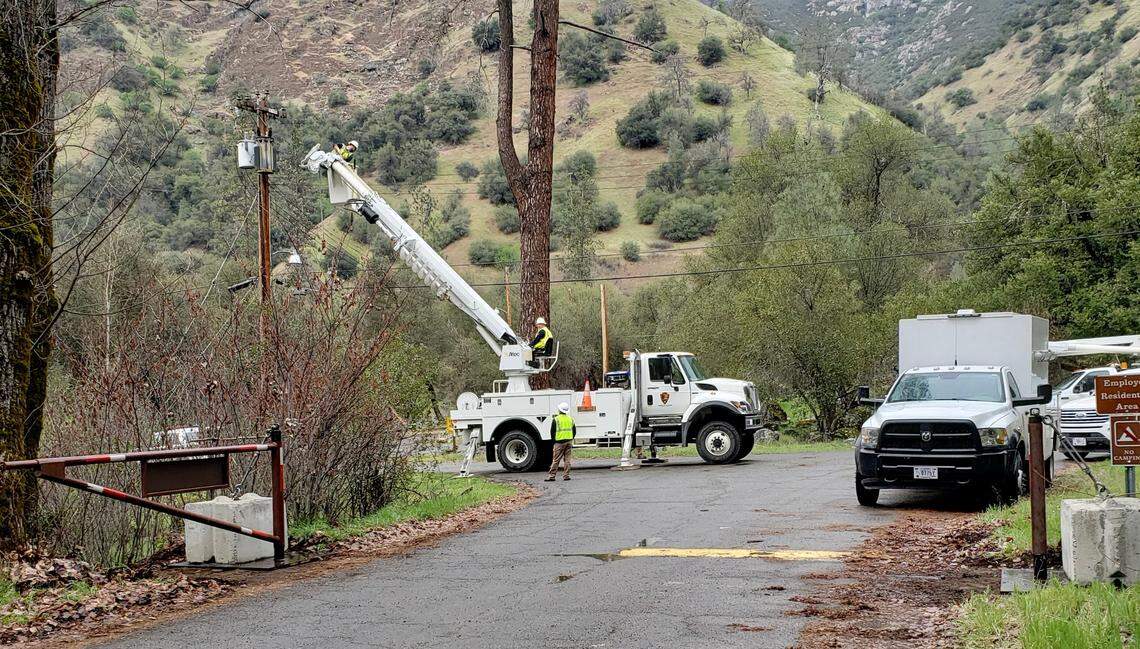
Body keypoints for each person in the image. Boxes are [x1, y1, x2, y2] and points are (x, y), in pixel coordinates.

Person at [545, 402, 575, 481]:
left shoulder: (556, 419)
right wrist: (570, 438)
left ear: (559, 410)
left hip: (559, 442)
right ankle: (566, 476)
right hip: (569, 442)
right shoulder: (570, 419)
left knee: (556, 460)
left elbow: (552, 432)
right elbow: (574, 431)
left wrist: (554, 441)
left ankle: (552, 476)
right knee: (567, 460)